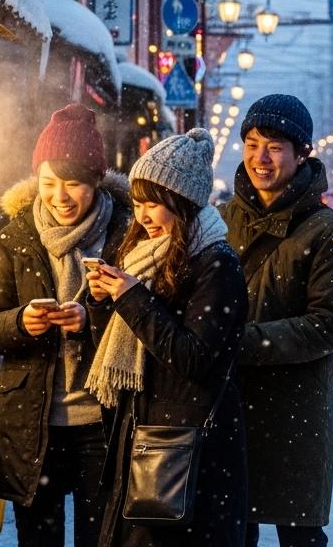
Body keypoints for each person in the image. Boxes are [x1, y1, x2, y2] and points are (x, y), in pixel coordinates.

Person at [84, 128, 249, 547]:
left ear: (185, 202)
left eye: (154, 203)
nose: (142, 216)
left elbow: (193, 357)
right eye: (138, 203)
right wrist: (103, 301)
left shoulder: (216, 263)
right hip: (143, 435)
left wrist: (131, 297)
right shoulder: (141, 254)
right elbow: (127, 343)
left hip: (189, 450)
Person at [0, 104, 131, 547]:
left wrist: (91, 322)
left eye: (73, 184)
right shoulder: (16, 236)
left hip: (103, 422)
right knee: (37, 540)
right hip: (31, 421)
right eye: (48, 184)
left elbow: (147, 322)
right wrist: (22, 322)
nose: (59, 196)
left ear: (97, 181)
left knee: (100, 538)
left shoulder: (125, 235)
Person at [220, 95, 333, 547]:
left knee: (299, 536)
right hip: (226, 407)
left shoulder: (326, 230)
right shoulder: (219, 221)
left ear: (302, 153)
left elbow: (330, 325)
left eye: (275, 147)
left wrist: (239, 342)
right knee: (232, 531)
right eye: (252, 144)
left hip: (294, 414)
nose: (260, 158)